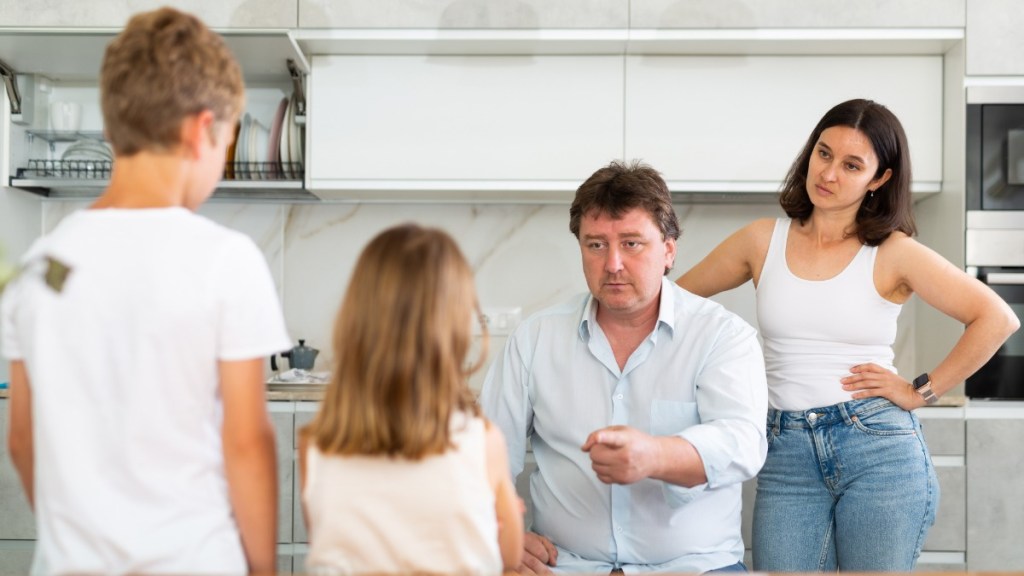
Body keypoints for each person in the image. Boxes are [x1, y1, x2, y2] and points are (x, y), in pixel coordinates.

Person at [1, 8, 290, 574]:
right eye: (226, 143)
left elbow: (22, 437)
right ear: (199, 130)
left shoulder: (42, 265)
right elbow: (248, 444)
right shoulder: (224, 261)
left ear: (113, 127)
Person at [677, 98, 1020, 572]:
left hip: (878, 447)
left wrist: (920, 390)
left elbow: (997, 318)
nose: (829, 173)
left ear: (879, 178)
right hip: (785, 449)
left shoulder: (895, 252)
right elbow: (672, 304)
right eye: (823, 153)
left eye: (852, 164)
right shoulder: (762, 240)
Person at [480, 160, 768, 574]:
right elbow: (485, 456)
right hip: (564, 567)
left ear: (669, 250)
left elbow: (742, 443)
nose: (612, 264)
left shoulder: (722, 336)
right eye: (596, 245)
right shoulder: (535, 339)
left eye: (632, 244)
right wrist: (499, 532)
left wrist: (655, 455)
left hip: (695, 568)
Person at [298, 223, 524, 574]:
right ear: (453, 330)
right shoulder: (481, 441)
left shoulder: (315, 445)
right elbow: (511, 558)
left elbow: (333, 541)